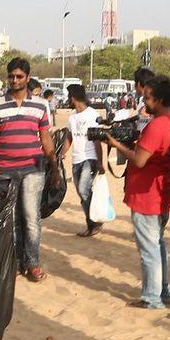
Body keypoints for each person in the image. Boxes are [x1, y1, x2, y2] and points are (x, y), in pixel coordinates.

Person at [103, 79, 170, 310]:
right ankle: (161, 292)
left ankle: (152, 297)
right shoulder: (169, 122)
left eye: (147, 97)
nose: (143, 102)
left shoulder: (157, 125)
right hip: (158, 190)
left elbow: (139, 159)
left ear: (159, 99)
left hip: (148, 193)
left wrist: (116, 145)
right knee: (157, 245)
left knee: (149, 248)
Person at [0, 58, 56, 282]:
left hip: (34, 168)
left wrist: (54, 167)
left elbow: (45, 138)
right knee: (12, 218)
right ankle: (15, 263)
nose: (14, 80)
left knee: (31, 216)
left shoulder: (40, 105)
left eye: (19, 76)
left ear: (27, 77)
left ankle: (33, 263)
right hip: (5, 168)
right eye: (11, 76)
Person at [67, 84, 104, 237]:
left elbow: (97, 140)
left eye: (69, 96)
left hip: (90, 158)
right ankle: (91, 223)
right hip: (76, 159)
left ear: (74, 98)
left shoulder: (92, 115)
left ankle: (95, 223)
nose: (68, 100)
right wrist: (62, 154)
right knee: (83, 194)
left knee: (83, 190)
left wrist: (100, 161)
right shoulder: (72, 117)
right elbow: (70, 137)